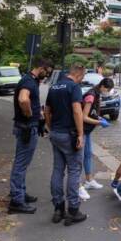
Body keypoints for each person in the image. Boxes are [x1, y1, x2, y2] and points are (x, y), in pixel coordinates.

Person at [8, 58, 53, 214]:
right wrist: (29, 115)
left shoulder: (30, 80)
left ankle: (20, 192)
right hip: (27, 127)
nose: (46, 75)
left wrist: (38, 116)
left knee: (22, 163)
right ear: (41, 67)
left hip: (28, 127)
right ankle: (16, 200)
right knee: (21, 164)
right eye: (46, 72)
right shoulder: (28, 81)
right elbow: (23, 99)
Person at [44, 63, 87, 226]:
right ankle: (73, 210)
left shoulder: (54, 87)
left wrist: (50, 128)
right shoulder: (74, 87)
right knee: (74, 171)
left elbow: (46, 110)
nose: (82, 80)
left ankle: (58, 208)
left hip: (56, 133)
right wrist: (81, 134)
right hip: (69, 135)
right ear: (78, 74)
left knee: (57, 170)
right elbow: (77, 110)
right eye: (82, 77)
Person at [78, 77, 113, 200]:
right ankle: (78, 187)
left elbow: (92, 112)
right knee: (79, 159)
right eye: (107, 90)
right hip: (82, 131)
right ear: (102, 86)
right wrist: (99, 123)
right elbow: (83, 117)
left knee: (88, 155)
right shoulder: (91, 96)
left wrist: (99, 118)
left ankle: (89, 180)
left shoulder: (96, 94)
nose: (107, 92)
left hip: (87, 131)